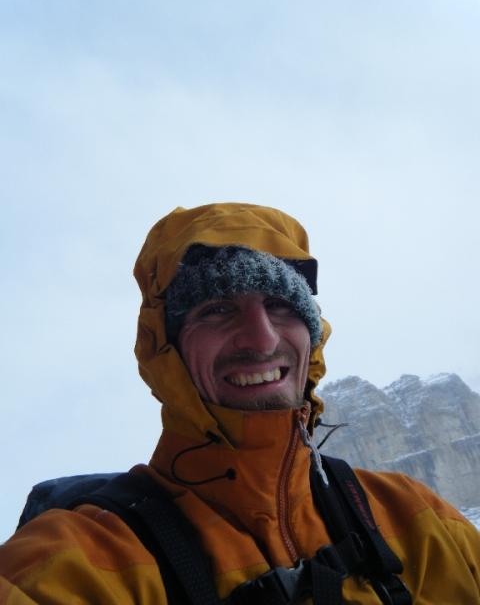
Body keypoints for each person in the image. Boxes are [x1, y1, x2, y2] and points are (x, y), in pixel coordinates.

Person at [1, 202, 479, 604]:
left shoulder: (419, 518)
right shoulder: (74, 562)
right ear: (167, 351)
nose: (262, 338)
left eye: (281, 306)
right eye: (218, 309)